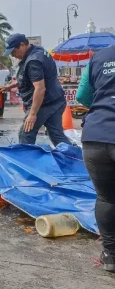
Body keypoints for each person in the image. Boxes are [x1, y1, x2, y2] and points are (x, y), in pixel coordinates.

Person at [76, 44, 115, 272]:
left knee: (107, 198)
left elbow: (83, 95)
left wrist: (104, 105)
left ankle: (111, 255)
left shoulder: (99, 57)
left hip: (95, 136)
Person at [0, 33, 71, 146]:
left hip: (43, 103)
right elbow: (31, 78)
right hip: (56, 100)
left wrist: (32, 114)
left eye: (13, 52)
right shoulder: (38, 51)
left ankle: (26, 161)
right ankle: (72, 158)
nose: (13, 55)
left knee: (26, 134)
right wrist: (12, 85)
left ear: (22, 45)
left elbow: (40, 88)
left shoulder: (33, 61)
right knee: (57, 135)